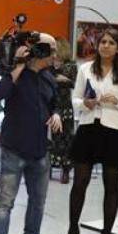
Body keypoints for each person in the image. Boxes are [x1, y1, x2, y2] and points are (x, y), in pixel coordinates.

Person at [0, 34, 63, 234]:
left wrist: (57, 113)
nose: (53, 53)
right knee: (5, 204)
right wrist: (18, 65)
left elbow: (54, 102)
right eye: (49, 49)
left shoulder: (48, 77)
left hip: (40, 149)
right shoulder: (16, 73)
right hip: (14, 148)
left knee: (37, 203)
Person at [64, 29, 118, 234]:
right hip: (88, 127)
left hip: (114, 131)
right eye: (103, 42)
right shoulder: (85, 68)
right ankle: (72, 229)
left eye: (111, 42)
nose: (105, 45)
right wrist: (84, 103)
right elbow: (74, 99)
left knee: (112, 185)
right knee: (80, 183)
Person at [50, 37, 78, 184]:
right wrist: (57, 78)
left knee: (65, 137)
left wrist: (58, 78)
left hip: (64, 105)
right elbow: (52, 78)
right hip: (48, 103)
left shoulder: (70, 65)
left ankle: (65, 170)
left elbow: (72, 82)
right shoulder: (48, 63)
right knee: (49, 137)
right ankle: (47, 167)